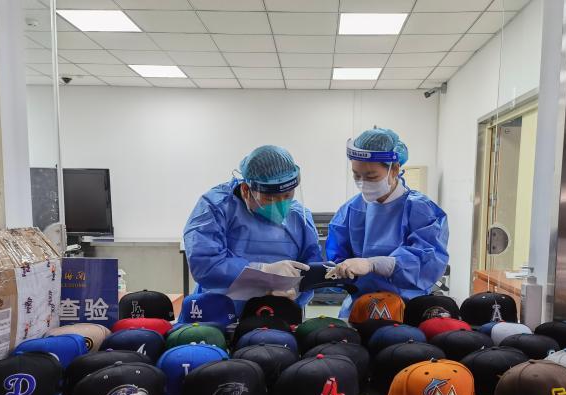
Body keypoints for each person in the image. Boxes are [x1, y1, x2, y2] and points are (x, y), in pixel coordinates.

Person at [325, 128, 449, 318]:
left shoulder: (421, 210)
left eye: (371, 177)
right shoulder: (351, 210)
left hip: (407, 311)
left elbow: (428, 262)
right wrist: (341, 271)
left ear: (395, 169)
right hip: (359, 310)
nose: (363, 183)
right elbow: (336, 261)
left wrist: (374, 264)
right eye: (356, 175)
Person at [183, 145, 322, 313]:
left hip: (277, 315)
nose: (280, 205)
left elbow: (311, 265)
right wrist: (263, 271)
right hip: (218, 314)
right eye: (270, 198)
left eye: (287, 195)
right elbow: (205, 265)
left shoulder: (298, 217)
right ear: (246, 190)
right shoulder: (216, 207)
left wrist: (297, 289)